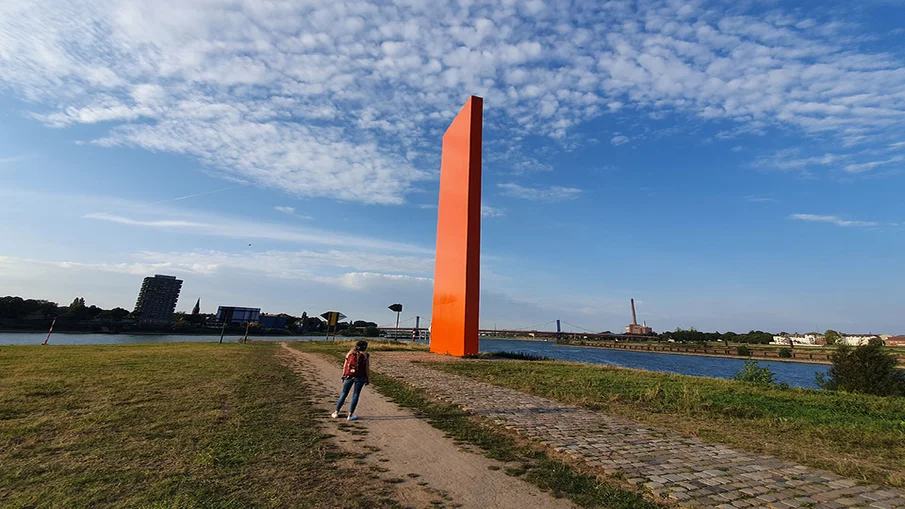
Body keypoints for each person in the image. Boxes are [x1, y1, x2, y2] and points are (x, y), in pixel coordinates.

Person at [332, 340, 370, 421]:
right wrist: (368, 378)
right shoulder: (365, 355)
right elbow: (367, 369)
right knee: (355, 395)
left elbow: (345, 365)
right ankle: (350, 415)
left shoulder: (350, 353)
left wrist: (344, 375)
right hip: (360, 377)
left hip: (349, 376)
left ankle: (336, 412)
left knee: (344, 393)